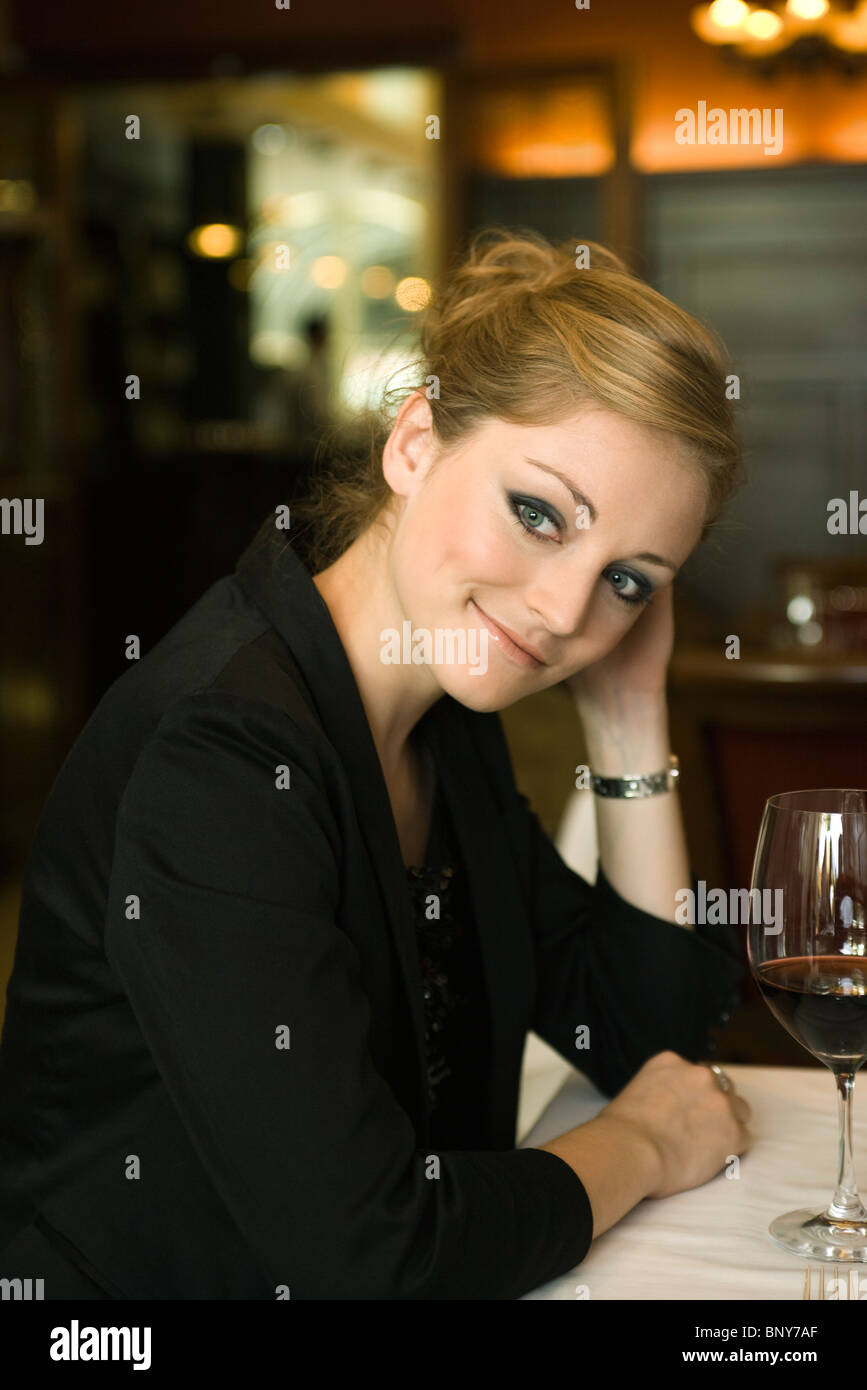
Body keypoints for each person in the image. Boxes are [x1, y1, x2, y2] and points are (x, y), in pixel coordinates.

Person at [0, 228, 750, 1300]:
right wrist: (635, 1148)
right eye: (538, 513)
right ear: (414, 443)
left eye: (628, 578)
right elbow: (368, 1257)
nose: (564, 609)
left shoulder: (441, 705)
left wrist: (629, 715)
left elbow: (643, 1031)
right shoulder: (221, 750)